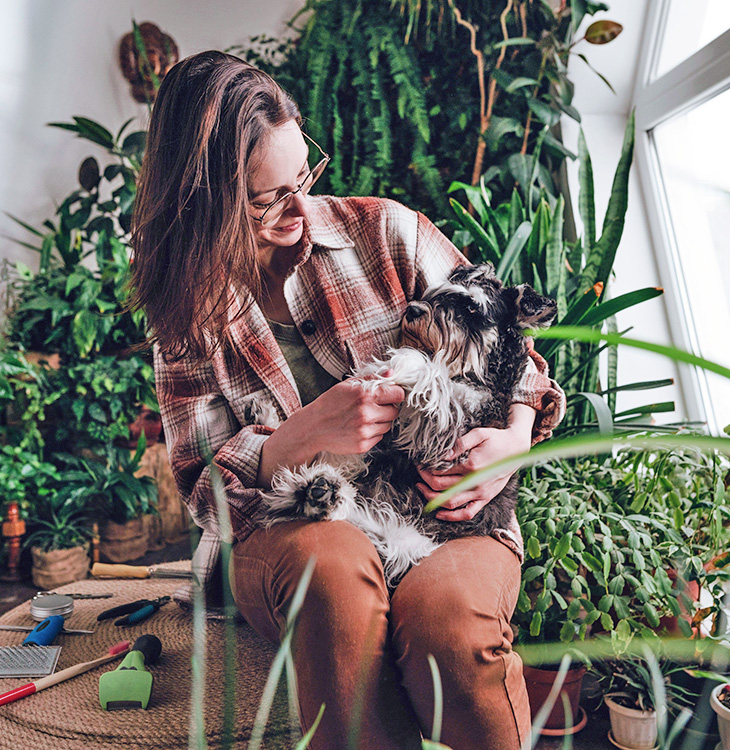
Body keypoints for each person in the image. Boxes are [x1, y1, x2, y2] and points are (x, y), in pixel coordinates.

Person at [130, 50, 565, 750]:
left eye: (304, 173)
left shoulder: (387, 231)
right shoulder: (186, 320)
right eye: (269, 196)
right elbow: (201, 491)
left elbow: (513, 350)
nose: (301, 207)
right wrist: (294, 439)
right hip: (284, 532)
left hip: (443, 515)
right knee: (332, 578)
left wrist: (512, 438)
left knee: (452, 626)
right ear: (202, 200)